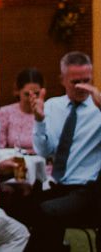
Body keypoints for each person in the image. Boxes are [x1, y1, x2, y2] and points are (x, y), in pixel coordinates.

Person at [27, 51, 101, 252]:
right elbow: (43, 151)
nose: (82, 87)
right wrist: (40, 120)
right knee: (21, 206)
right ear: (63, 80)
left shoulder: (98, 109)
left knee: (48, 212)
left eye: (87, 80)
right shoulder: (52, 106)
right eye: (76, 82)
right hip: (57, 184)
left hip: (87, 189)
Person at [0, 68, 44, 153]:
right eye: (27, 94)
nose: (32, 98)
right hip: (14, 163)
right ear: (17, 91)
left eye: (36, 94)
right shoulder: (5, 113)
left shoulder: (49, 112)